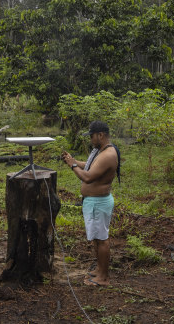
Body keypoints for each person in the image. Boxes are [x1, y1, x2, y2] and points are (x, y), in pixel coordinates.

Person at [61, 120, 119, 286]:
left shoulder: (108, 155)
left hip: (98, 203)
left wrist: (73, 166)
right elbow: (88, 167)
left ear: (100, 135)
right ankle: (99, 270)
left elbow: (87, 176)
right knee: (97, 238)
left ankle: (104, 277)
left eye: (92, 136)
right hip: (94, 202)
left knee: (102, 240)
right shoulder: (101, 151)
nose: (91, 139)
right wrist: (72, 161)